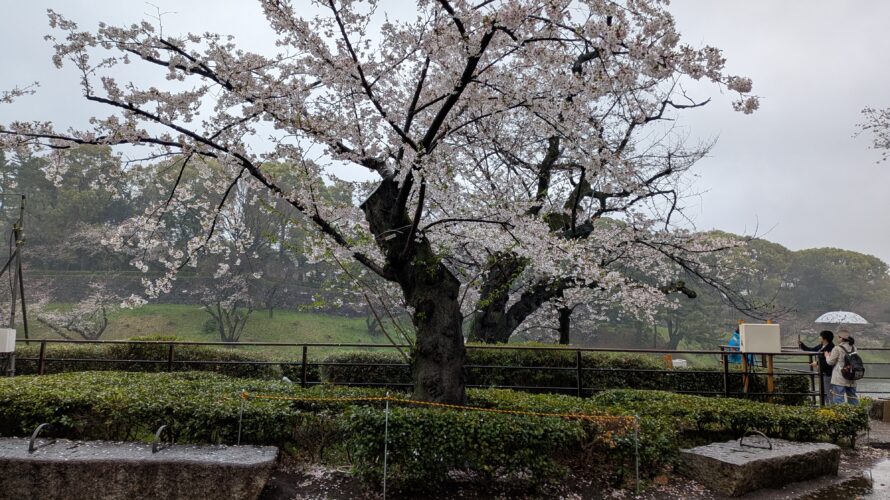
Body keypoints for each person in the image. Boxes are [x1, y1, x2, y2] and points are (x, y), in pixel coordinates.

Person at [799, 330, 835, 405]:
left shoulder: (831, 347)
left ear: (825, 338)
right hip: (822, 372)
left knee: (828, 391)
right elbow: (811, 350)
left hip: (828, 373)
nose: (819, 338)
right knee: (824, 391)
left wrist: (817, 363)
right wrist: (802, 345)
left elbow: (829, 362)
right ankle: (827, 406)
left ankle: (831, 406)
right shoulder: (821, 346)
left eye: (820, 336)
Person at [825, 329, 859, 405]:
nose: (837, 339)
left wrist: (827, 356)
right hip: (851, 376)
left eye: (838, 337)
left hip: (839, 377)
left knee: (838, 397)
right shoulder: (854, 348)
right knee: (852, 397)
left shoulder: (837, 348)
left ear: (841, 338)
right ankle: (856, 411)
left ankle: (841, 412)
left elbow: (830, 362)